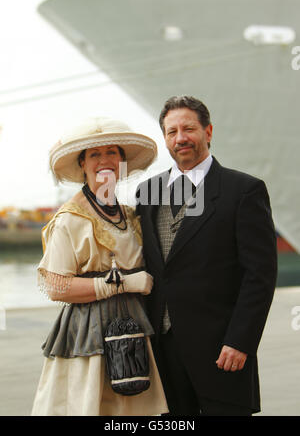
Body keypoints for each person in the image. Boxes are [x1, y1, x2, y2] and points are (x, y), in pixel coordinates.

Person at [136, 96, 277, 416]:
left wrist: (241, 341)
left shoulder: (243, 190)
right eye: (171, 132)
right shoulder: (147, 192)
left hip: (222, 349)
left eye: (188, 128)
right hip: (162, 350)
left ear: (208, 131)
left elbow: (260, 275)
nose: (180, 138)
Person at [31, 117, 168, 416]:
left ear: (122, 162)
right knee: (91, 404)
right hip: (87, 334)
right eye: (95, 154)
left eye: (112, 153)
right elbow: (56, 286)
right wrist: (124, 284)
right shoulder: (69, 219)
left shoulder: (130, 215)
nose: (104, 160)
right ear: (83, 164)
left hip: (133, 327)